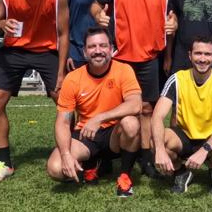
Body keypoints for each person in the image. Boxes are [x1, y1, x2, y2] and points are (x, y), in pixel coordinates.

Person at [0, 0, 68, 182]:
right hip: (14, 50)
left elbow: (64, 33)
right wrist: (1, 25)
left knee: (65, 101)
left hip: (46, 50)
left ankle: (71, 154)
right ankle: (5, 163)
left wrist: (61, 72)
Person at [93, 0, 176, 176]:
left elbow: (173, 16)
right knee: (113, 108)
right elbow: (95, 5)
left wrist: (174, 23)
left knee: (147, 109)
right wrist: (98, 14)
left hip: (150, 57)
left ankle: (145, 156)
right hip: (120, 56)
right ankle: (105, 156)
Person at [46, 28, 142, 197]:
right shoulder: (73, 78)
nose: (98, 51)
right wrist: (66, 154)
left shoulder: (124, 70)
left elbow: (135, 105)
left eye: (103, 46)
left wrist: (100, 118)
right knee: (55, 168)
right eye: (92, 47)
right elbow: (63, 122)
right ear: (84, 52)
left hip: (114, 135)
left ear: (111, 49)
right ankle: (92, 163)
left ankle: (125, 176)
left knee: (131, 123)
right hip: (86, 135)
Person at [152, 37, 212, 195]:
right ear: (190, 55)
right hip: (184, 136)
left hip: (211, 139)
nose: (202, 59)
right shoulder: (177, 79)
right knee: (157, 141)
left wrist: (204, 150)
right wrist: (159, 150)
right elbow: (157, 116)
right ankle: (181, 171)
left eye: (207, 54)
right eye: (198, 53)